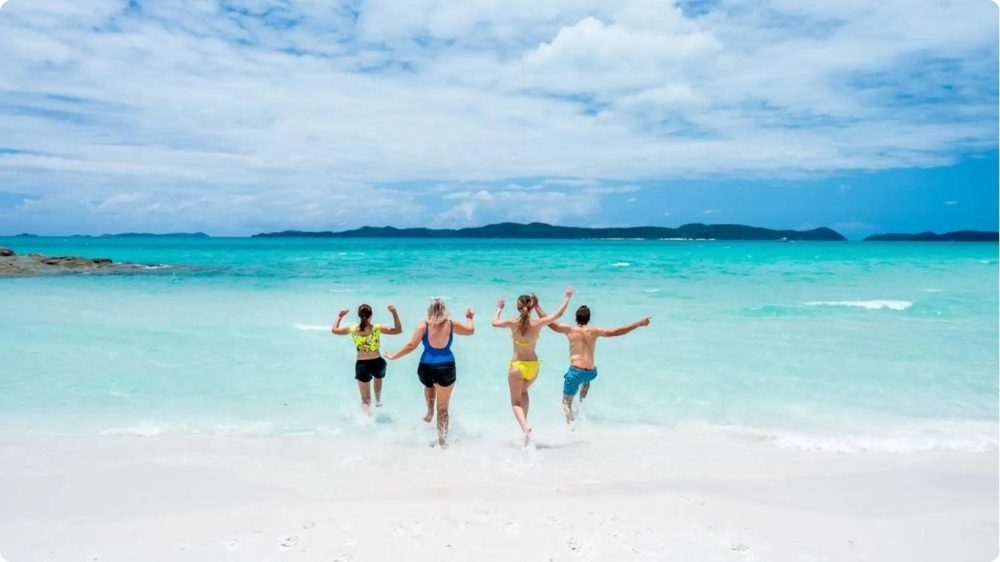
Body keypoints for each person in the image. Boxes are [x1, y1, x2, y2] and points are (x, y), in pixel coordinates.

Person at [536, 303, 650, 424]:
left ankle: (570, 426)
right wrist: (638, 324)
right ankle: (581, 402)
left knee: (566, 402)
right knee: (585, 378)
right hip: (591, 372)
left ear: (576, 318)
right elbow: (617, 331)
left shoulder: (569, 330)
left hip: (576, 372)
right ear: (588, 319)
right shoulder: (595, 331)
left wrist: (536, 306)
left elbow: (549, 322)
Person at [385, 299, 475, 448]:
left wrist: (394, 356)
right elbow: (470, 331)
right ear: (444, 310)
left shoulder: (423, 325)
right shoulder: (451, 324)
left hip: (426, 367)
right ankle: (442, 442)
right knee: (444, 408)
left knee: (429, 384)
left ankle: (429, 410)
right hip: (446, 367)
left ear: (429, 311)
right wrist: (470, 317)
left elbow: (411, 346)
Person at [492, 286, 573, 444]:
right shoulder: (537, 323)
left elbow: (494, 323)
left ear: (518, 308)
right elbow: (559, 314)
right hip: (533, 367)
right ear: (530, 307)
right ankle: (526, 434)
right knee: (524, 393)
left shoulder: (512, 323)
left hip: (517, 367)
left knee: (515, 402)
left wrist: (498, 309)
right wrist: (567, 297)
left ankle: (525, 427)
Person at [332, 304, 402, 415]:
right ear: (371, 315)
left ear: (359, 316)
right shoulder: (376, 328)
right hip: (377, 362)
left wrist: (340, 315)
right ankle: (378, 399)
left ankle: (366, 422)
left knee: (365, 401)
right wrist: (394, 312)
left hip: (362, 364)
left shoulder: (353, 329)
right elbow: (398, 330)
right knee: (378, 377)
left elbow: (334, 330)